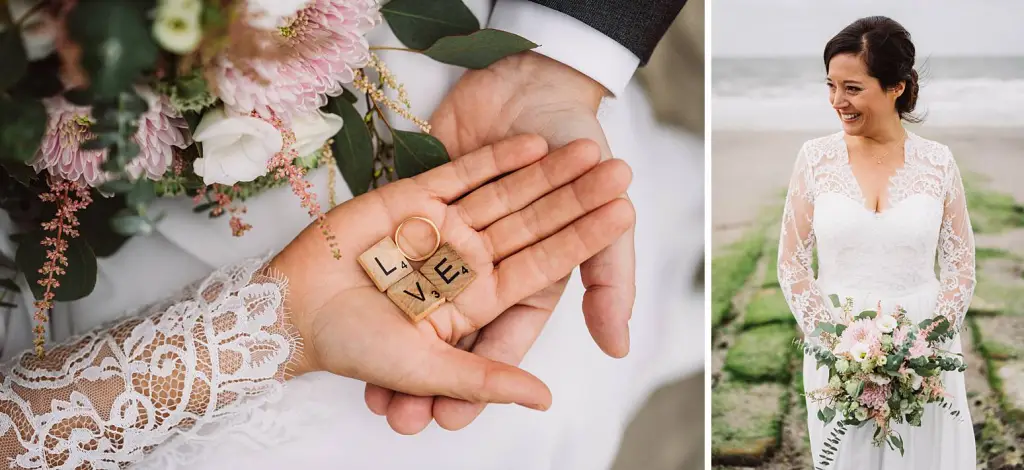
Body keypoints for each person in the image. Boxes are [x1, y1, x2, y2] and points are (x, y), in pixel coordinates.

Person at [0, 0, 704, 469]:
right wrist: (272, 327)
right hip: (95, 258)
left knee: (567, 231)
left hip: (426, 70)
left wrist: (564, 61)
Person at [777, 16, 976, 470]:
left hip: (925, 348)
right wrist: (834, 344)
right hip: (836, 350)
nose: (836, 101)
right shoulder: (814, 158)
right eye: (830, 86)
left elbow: (961, 265)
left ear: (896, 88)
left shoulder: (938, 162)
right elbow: (792, 263)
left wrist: (928, 343)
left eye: (852, 88)